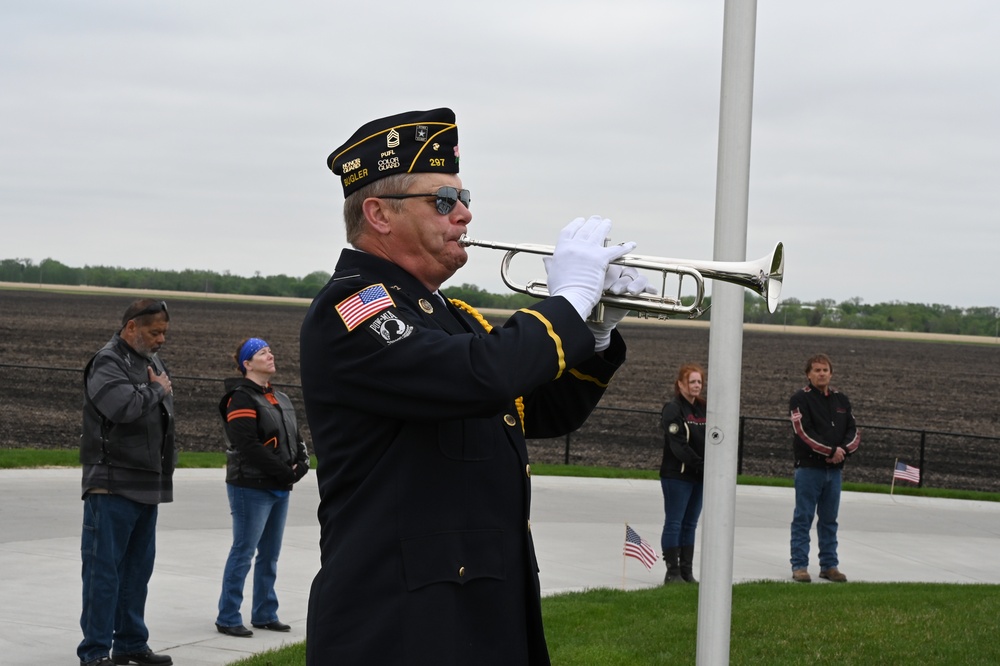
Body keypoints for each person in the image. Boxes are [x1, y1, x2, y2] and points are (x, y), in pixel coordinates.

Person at [299, 107, 654, 665]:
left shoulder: (449, 316)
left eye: (465, 199)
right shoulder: (353, 310)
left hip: (478, 616)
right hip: (401, 628)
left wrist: (597, 328)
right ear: (378, 214)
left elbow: (539, 410)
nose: (464, 214)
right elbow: (481, 376)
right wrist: (565, 302)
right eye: (444, 201)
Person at [78, 299, 175, 666]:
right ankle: (95, 652)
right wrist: (157, 391)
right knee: (104, 573)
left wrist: (156, 390)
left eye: (164, 332)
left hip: (147, 484)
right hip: (112, 484)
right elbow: (121, 408)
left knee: (137, 573)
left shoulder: (150, 362)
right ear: (131, 327)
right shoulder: (108, 361)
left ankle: (131, 644)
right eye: (155, 332)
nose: (161, 339)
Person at [215, 338, 310, 638]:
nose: (270, 355)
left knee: (270, 554)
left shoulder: (280, 397)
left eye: (270, 350)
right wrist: (283, 471)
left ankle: (265, 613)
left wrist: (302, 464)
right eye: (262, 353)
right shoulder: (240, 398)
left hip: (280, 485)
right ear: (247, 364)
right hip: (251, 486)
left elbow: (296, 438)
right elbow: (247, 444)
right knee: (243, 552)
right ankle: (228, 616)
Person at [789, 353, 860, 583]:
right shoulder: (800, 399)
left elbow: (854, 431)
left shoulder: (842, 400)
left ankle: (829, 565)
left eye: (825, 370)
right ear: (808, 374)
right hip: (809, 469)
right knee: (804, 517)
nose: (821, 374)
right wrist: (829, 451)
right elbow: (803, 432)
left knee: (829, 519)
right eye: (817, 370)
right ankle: (799, 565)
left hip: (835, 471)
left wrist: (842, 451)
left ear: (831, 373)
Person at [659, 363, 707, 584]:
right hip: (677, 476)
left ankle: (687, 571)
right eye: (692, 381)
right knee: (675, 522)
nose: (696, 386)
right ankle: (673, 571)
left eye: (699, 381)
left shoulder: (703, 408)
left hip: (699, 477)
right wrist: (701, 463)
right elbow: (678, 446)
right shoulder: (673, 409)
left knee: (691, 524)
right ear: (680, 384)